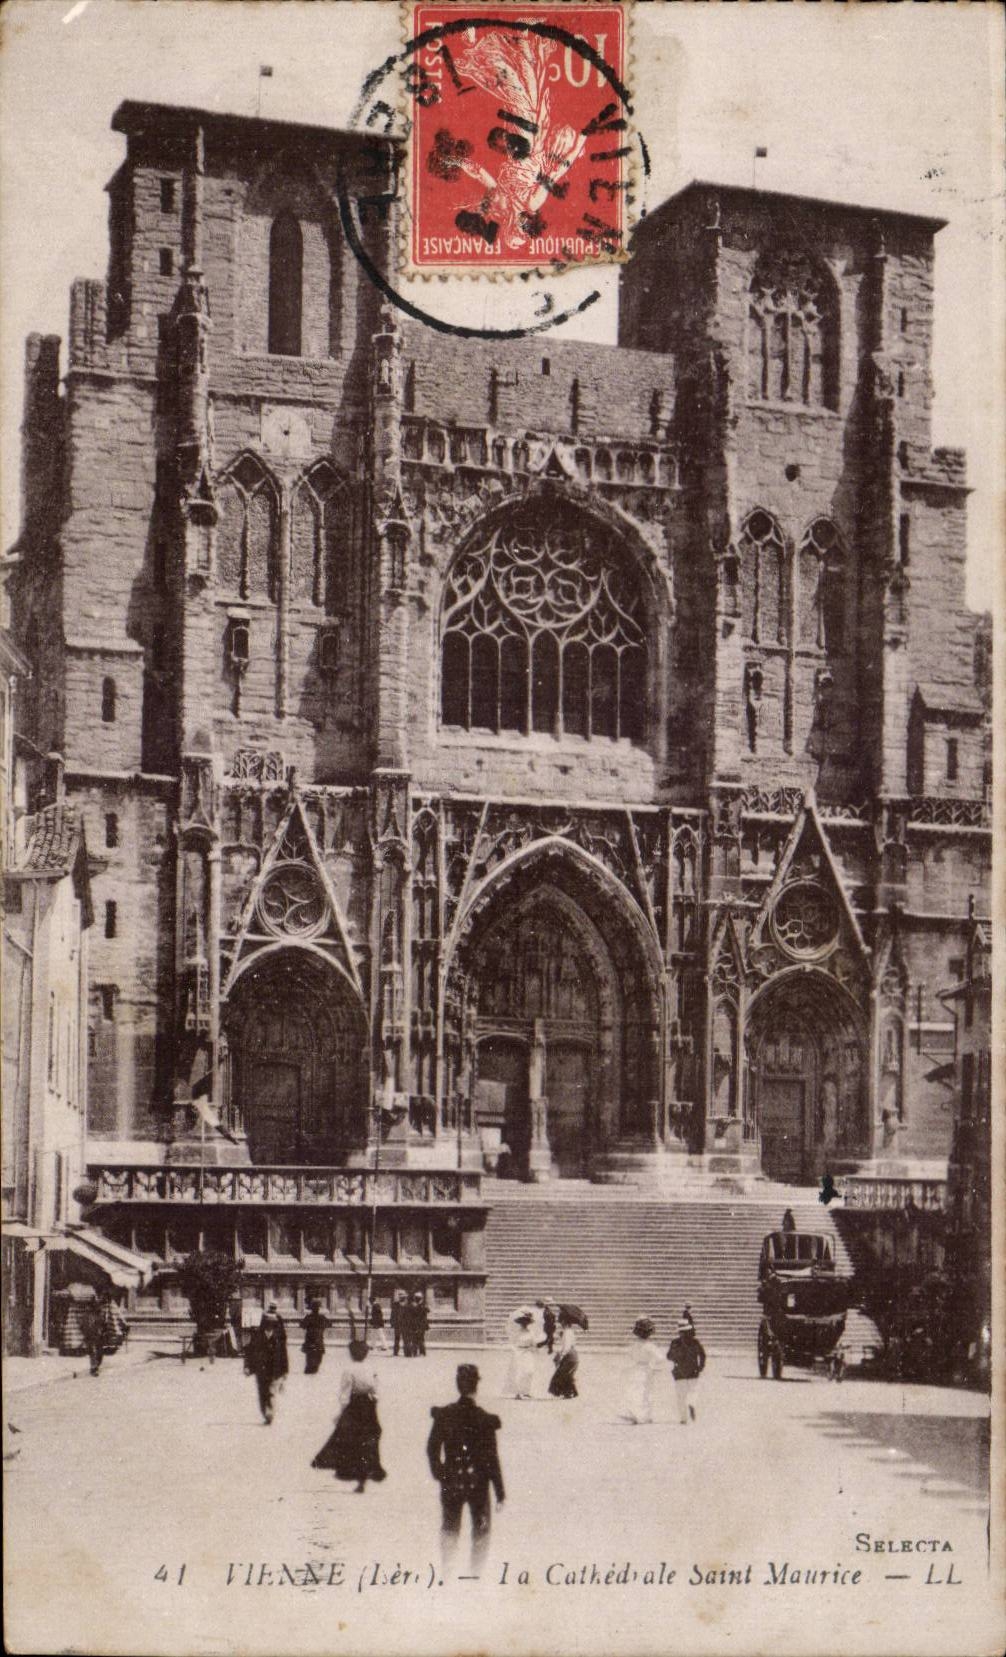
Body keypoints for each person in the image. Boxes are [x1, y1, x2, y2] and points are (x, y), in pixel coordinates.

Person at [427, 1364, 504, 1569]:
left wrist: (440, 1472)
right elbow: (492, 1458)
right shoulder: (485, 1420)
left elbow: (432, 1448)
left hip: (452, 1479)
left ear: (457, 1385)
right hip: (478, 1482)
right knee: (481, 1530)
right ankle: (475, 1575)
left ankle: (448, 1570)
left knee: (450, 1527)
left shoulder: (444, 1415)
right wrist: (500, 1492)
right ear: (476, 1386)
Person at [312, 1339, 386, 1493]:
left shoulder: (349, 1370)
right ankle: (365, 1475)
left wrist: (341, 1412)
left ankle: (355, 1474)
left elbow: (345, 1393)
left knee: (350, 1440)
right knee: (369, 1439)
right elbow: (376, 1387)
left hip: (354, 1406)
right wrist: (373, 1398)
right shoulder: (370, 1367)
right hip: (369, 1406)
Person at [244, 1304, 288, 1424]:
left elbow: (283, 1354)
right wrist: (247, 1366)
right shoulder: (257, 1336)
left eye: (272, 1323)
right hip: (261, 1370)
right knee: (262, 1392)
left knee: (271, 1392)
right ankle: (265, 1412)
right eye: (267, 1322)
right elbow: (250, 1352)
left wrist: (285, 1372)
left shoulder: (279, 1337)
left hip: (275, 1370)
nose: (269, 1325)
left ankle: (270, 1412)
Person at [620, 1317, 663, 1424]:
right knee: (647, 1392)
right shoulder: (650, 1346)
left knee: (636, 1391)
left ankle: (635, 1412)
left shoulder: (634, 1345)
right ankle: (646, 1415)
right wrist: (653, 1364)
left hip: (636, 1368)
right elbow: (660, 1358)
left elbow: (630, 1355)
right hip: (647, 1369)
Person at [667, 1316, 706, 1424]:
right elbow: (702, 1355)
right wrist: (701, 1366)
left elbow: (669, 1356)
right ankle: (692, 1403)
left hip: (679, 1372)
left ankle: (683, 1418)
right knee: (693, 1391)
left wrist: (676, 1357)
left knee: (680, 1396)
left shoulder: (675, 1342)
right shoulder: (695, 1342)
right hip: (693, 1371)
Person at [81, 1290, 127, 1377]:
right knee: (93, 1348)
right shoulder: (93, 1307)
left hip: (99, 1329)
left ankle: (96, 1366)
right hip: (93, 1328)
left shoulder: (105, 1306)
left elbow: (104, 1319)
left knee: (98, 1349)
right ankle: (94, 1367)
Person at [504, 1311, 536, 1400]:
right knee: (519, 1372)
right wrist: (515, 1350)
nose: (525, 1324)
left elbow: (534, 1344)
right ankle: (518, 1393)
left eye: (526, 1322)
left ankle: (526, 1391)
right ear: (520, 1323)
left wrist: (532, 1348)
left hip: (528, 1352)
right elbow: (512, 1343)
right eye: (523, 1322)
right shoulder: (517, 1332)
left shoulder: (531, 1332)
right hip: (519, 1352)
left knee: (529, 1371)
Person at [548, 1311, 580, 1399]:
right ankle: (570, 1392)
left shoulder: (567, 1332)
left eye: (561, 1321)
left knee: (561, 1374)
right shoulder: (569, 1332)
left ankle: (568, 1392)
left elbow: (566, 1347)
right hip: (573, 1354)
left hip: (569, 1355)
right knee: (566, 1374)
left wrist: (561, 1356)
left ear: (564, 1322)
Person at [299, 1299, 330, 1376]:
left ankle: (310, 1369)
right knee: (318, 1356)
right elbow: (329, 1324)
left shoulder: (309, 1317)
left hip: (310, 1339)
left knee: (310, 1356)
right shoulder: (322, 1317)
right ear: (318, 1309)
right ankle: (315, 1368)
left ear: (311, 1309)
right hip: (318, 1339)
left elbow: (302, 1325)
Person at [410, 1290, 429, 1357]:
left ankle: (418, 1352)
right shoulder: (420, 1305)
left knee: (418, 1339)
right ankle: (418, 1352)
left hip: (419, 1325)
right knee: (418, 1339)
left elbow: (427, 1311)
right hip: (418, 1325)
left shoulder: (421, 1306)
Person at [391, 1287, 408, 1357]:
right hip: (397, 1325)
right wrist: (392, 1323)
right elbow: (393, 1314)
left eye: (403, 1296)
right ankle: (395, 1352)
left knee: (406, 1339)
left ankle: (407, 1352)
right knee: (396, 1338)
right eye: (400, 1296)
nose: (402, 1297)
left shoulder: (408, 1305)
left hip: (405, 1325)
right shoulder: (395, 1304)